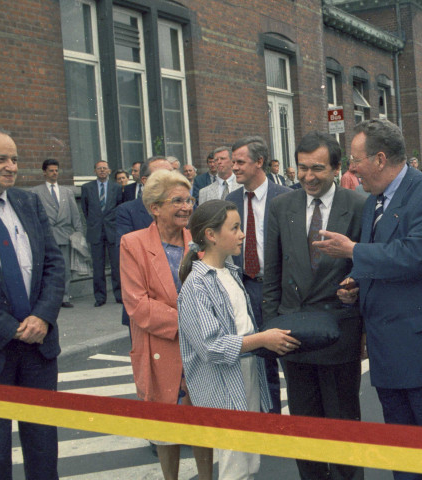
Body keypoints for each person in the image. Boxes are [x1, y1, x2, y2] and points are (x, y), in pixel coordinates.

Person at [315, 119, 422, 480]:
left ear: (381, 158)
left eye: (356, 159)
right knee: (405, 462)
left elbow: (415, 255)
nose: (351, 168)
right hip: (390, 358)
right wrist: (355, 282)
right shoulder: (374, 202)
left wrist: (353, 251)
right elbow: (384, 259)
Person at [263, 132, 366, 480]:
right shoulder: (281, 207)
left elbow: (367, 266)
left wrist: (357, 289)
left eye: (318, 168)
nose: (308, 177)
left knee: (342, 421)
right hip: (294, 333)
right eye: (302, 168)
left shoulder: (359, 205)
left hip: (340, 333)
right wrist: (270, 328)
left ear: (337, 168)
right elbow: (272, 271)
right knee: (304, 423)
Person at [179, 200, 299, 480]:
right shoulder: (197, 285)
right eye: (234, 228)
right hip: (223, 381)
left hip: (245, 372)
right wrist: (262, 339)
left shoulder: (230, 272)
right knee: (234, 462)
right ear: (210, 235)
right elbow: (211, 346)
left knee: (247, 458)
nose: (242, 234)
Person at [119, 169, 213, 479]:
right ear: (155, 207)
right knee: (165, 426)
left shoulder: (199, 243)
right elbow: (138, 304)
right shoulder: (132, 244)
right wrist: (190, 322)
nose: (187, 207)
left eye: (189, 200)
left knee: (202, 423)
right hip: (160, 346)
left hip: (200, 348)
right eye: (178, 201)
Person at [0, 129, 65, 479]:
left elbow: (53, 263)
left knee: (42, 448)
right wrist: (12, 329)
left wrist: (43, 316)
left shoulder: (27, 203)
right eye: (0, 159)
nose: (11, 167)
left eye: (15, 159)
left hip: (39, 348)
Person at [226, 136, 291, 413]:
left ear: (260, 162)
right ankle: (270, 420)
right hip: (246, 288)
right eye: (233, 163)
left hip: (280, 290)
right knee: (257, 358)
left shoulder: (286, 197)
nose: (234, 168)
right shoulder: (230, 201)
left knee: (288, 353)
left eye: (240, 162)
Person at [116, 157, 174, 331]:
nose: (171, 180)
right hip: (146, 306)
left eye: (172, 174)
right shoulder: (127, 211)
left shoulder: (183, 209)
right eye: (163, 176)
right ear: (145, 181)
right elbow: (129, 260)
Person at [30, 159, 84, 309]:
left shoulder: (66, 191)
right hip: (46, 235)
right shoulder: (36, 192)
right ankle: (46, 298)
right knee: (46, 267)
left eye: (56, 170)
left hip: (64, 235)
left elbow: (75, 214)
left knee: (65, 267)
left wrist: (79, 232)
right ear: (44, 172)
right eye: (51, 171)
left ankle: (64, 296)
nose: (54, 173)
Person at [81, 160, 123, 307]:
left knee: (116, 265)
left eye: (105, 168)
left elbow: (119, 207)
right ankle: (100, 297)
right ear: (95, 171)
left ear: (109, 171)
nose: (102, 171)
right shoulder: (87, 188)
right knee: (97, 266)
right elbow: (85, 210)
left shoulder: (116, 188)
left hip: (112, 230)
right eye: (99, 168)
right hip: (96, 230)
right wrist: (95, 223)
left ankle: (119, 295)